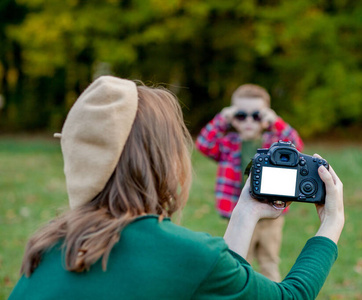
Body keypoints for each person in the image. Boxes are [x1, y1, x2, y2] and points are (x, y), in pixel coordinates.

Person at [9, 76, 344, 299]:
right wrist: (331, 223)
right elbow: (291, 296)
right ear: (165, 161)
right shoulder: (186, 254)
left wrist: (245, 213)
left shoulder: (46, 248)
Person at [196, 84, 304, 281]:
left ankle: (271, 294)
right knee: (239, 262)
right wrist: (222, 119)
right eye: (240, 115)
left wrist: (277, 123)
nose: (248, 121)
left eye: (256, 116)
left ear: (265, 118)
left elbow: (296, 144)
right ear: (233, 118)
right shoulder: (228, 143)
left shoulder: (274, 143)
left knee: (269, 262)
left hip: (271, 216)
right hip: (238, 214)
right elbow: (203, 143)